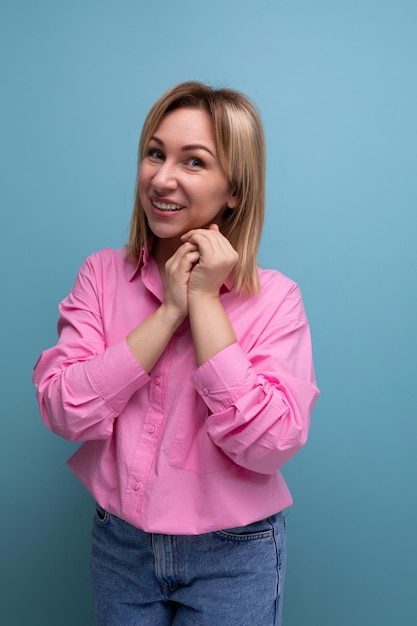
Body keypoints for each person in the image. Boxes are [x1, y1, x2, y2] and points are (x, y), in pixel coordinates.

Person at [33, 81, 319, 625]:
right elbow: (62, 409)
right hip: (120, 548)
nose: (162, 178)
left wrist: (206, 299)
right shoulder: (100, 275)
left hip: (235, 556)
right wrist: (167, 313)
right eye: (155, 153)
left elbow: (270, 445)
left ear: (235, 190)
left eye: (194, 162)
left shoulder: (277, 298)